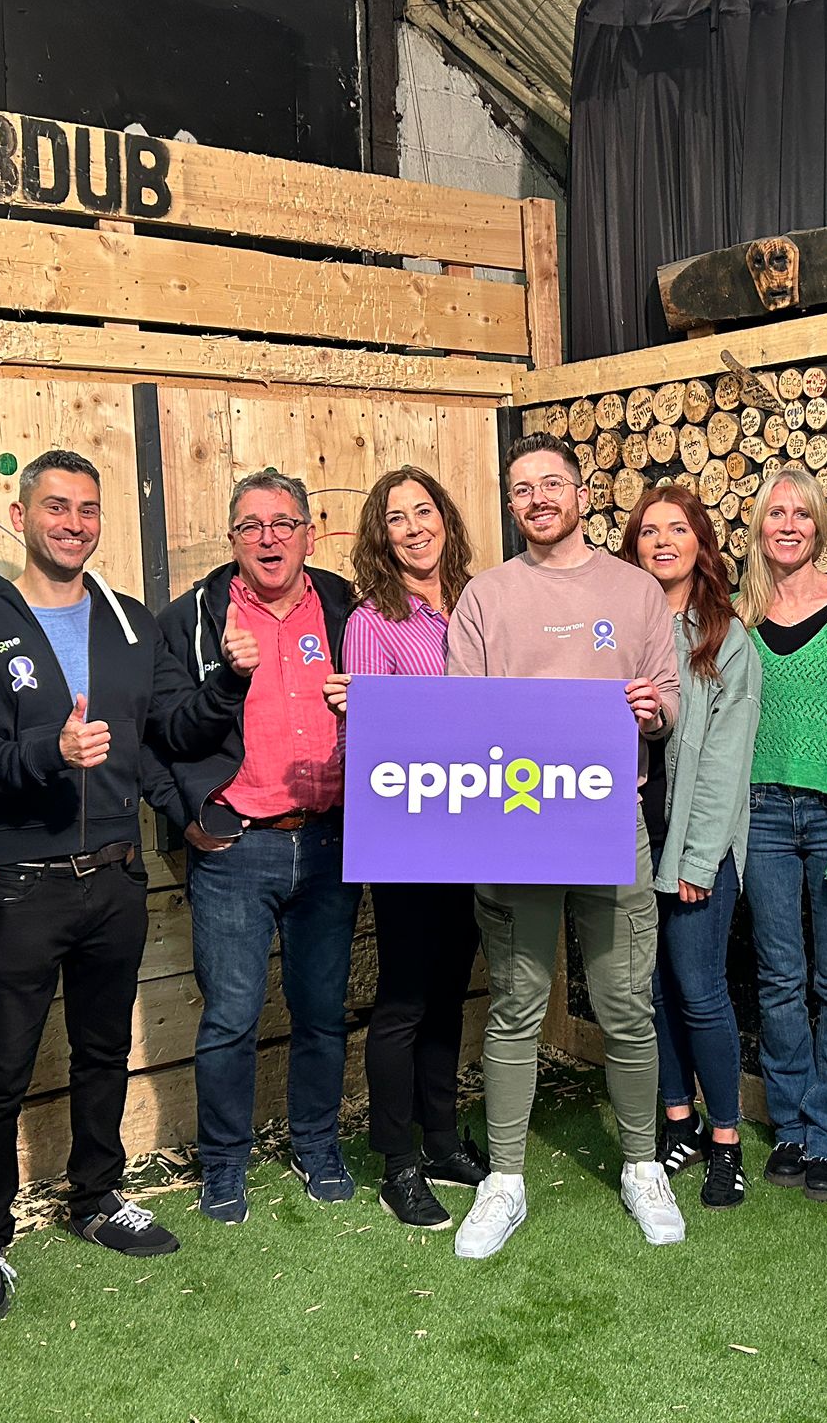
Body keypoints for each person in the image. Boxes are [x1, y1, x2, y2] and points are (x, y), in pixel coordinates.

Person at [0, 450, 209, 1324]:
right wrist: (47, 752)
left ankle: (96, 1195)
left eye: (88, 509)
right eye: (56, 507)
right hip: (21, 883)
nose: (73, 523)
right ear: (21, 515)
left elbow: (169, 730)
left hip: (116, 878)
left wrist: (230, 684)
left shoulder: (130, 621)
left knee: (103, 1052)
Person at [443, 432, 683, 1258]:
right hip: (514, 826)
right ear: (511, 505)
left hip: (612, 821)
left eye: (552, 483)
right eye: (522, 488)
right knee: (516, 1006)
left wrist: (654, 710)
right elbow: (460, 716)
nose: (538, 498)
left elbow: (668, 698)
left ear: (581, 495)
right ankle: (504, 1179)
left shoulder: (636, 590)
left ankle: (642, 1165)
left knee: (625, 1005)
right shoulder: (485, 596)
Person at [155, 467, 360, 1225]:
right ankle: (223, 1165)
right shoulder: (192, 619)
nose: (268, 538)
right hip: (237, 849)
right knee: (230, 1019)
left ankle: (317, 1144)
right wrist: (188, 812)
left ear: (310, 533)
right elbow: (165, 732)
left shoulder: (347, 607)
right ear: (232, 539)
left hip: (331, 841)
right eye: (251, 526)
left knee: (323, 1012)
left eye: (283, 523)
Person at [322, 466, 491, 1231]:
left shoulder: (479, 602)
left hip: (475, 827)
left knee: (450, 990)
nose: (415, 527)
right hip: (408, 836)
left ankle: (443, 1141)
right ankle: (398, 1162)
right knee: (404, 1000)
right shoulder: (373, 620)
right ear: (381, 536)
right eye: (397, 518)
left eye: (425, 511)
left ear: (446, 519)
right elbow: (369, 736)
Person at [616, 484, 761, 1211]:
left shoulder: (726, 640)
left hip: (696, 844)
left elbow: (728, 764)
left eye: (678, 529)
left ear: (701, 543)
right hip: (628, 836)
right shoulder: (618, 629)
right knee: (649, 990)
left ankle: (726, 1141)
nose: (663, 542)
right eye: (649, 531)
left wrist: (700, 858)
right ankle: (680, 1122)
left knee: (699, 990)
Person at [736, 465, 827, 1201]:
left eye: (802, 514)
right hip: (757, 813)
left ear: (820, 526)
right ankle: (789, 1123)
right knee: (779, 977)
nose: (788, 525)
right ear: (758, 526)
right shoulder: (738, 616)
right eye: (775, 513)